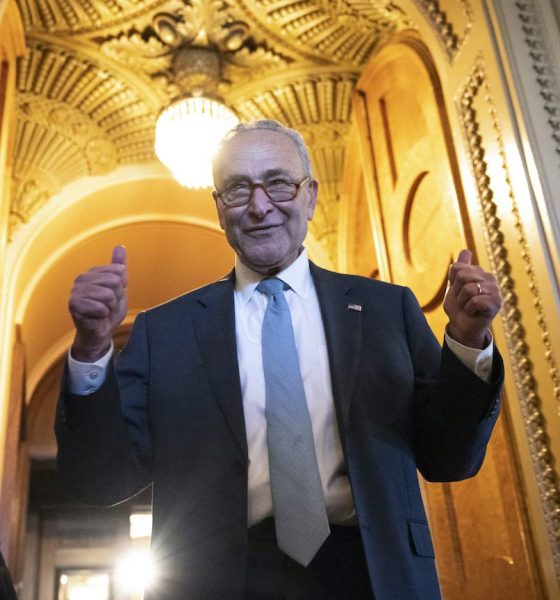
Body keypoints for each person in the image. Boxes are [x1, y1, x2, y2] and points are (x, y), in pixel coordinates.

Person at [56, 119, 504, 600]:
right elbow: (100, 481)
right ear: (218, 209)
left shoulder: (386, 310)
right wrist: (90, 348)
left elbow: (450, 458)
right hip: (220, 581)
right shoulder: (164, 333)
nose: (259, 205)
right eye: (237, 189)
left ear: (310, 196)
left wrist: (467, 337)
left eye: (278, 183)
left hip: (373, 574)